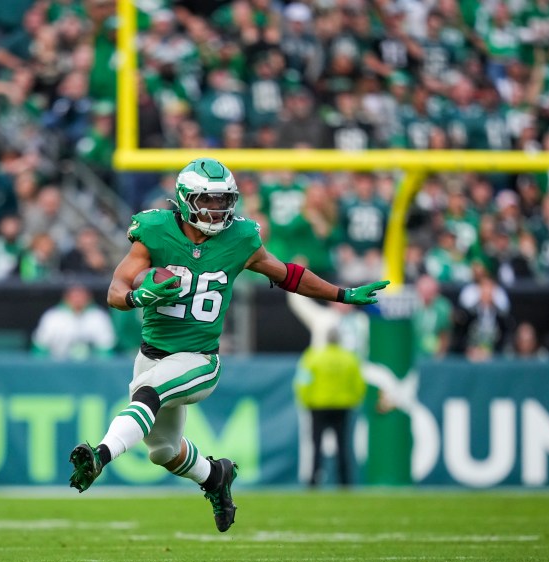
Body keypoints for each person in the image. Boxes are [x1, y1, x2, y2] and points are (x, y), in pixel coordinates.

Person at [68, 157, 390, 533]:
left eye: (224, 201)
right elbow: (115, 291)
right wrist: (140, 297)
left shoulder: (241, 238)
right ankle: (215, 476)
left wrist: (342, 293)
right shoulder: (154, 230)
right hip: (152, 354)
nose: (217, 209)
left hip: (199, 360)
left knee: (147, 394)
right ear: (186, 199)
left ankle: (100, 456)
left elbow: (288, 274)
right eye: (209, 200)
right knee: (163, 452)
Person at [293, 328, 367, 487]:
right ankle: (345, 481)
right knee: (343, 446)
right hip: (342, 406)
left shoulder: (314, 357)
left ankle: (314, 480)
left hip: (318, 406)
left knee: (316, 445)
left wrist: (306, 401)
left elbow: (302, 381)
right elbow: (359, 383)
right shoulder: (349, 358)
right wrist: (353, 400)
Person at [32, 282, 116, 360]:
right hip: (57, 368)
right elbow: (40, 348)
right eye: (74, 295)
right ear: (66, 297)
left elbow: (106, 350)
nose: (78, 299)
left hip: (92, 369)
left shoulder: (99, 317)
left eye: (81, 295)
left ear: (89, 297)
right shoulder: (52, 317)